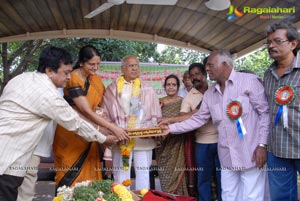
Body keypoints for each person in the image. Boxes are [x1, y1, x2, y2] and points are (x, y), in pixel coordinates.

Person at [0, 46, 118, 201]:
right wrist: (104, 138)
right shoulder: (47, 94)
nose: (69, 77)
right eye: (66, 72)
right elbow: (74, 122)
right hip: (8, 158)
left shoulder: (21, 78)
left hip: (15, 153)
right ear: (50, 71)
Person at [161, 49, 270, 201]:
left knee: (252, 196)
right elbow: (198, 119)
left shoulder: (249, 81)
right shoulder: (210, 94)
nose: (207, 69)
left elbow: (265, 113)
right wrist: (171, 129)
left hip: (251, 152)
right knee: (228, 196)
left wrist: (262, 145)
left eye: (211, 65)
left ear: (225, 64)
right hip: (227, 156)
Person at [53, 45, 128, 188]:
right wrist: (113, 128)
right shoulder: (73, 78)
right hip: (72, 131)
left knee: (91, 178)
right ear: (81, 62)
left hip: (92, 130)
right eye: (91, 64)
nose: (95, 67)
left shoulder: (95, 80)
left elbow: (100, 104)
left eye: (98, 64)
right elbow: (86, 110)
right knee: (70, 177)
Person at [101, 55, 162, 190]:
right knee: (121, 175)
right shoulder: (112, 89)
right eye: (131, 65)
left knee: (143, 173)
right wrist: (113, 131)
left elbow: (156, 114)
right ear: (123, 68)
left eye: (136, 65)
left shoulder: (148, 89)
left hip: (143, 139)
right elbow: (104, 113)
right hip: (121, 138)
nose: (135, 68)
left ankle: (143, 198)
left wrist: (153, 130)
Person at [263, 21, 300, 201]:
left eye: (277, 41)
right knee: (279, 197)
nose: (271, 46)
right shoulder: (267, 74)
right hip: (277, 149)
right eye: (269, 42)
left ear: (293, 44)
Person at [155, 74, 188, 195]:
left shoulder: (183, 102)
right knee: (165, 175)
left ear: (178, 87)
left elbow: (184, 119)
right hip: (162, 143)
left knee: (178, 172)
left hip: (177, 142)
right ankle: (167, 196)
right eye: (168, 84)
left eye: (174, 84)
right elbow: (155, 120)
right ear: (164, 86)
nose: (171, 87)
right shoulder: (159, 102)